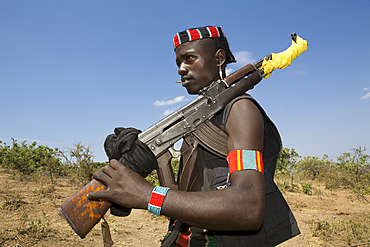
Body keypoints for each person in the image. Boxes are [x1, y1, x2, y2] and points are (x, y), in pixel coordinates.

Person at [88, 26, 300, 246]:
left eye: (189, 59)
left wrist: (147, 195)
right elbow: (181, 203)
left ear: (219, 58)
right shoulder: (199, 121)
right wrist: (159, 159)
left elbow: (248, 206)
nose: (181, 69)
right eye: (178, 62)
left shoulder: (240, 110)